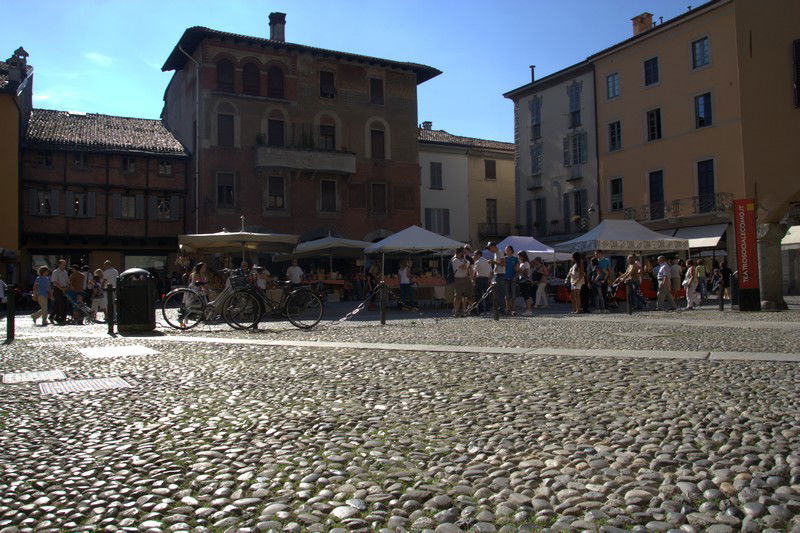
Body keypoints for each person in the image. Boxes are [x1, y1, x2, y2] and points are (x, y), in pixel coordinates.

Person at [450, 247, 470, 316]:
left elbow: (467, 266)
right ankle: (456, 311)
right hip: (458, 279)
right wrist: (465, 262)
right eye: (463, 252)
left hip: (463, 278)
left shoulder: (461, 260)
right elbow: (464, 267)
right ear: (461, 253)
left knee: (464, 296)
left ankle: (463, 311)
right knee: (458, 296)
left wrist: (465, 262)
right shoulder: (455, 260)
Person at [486, 242, 506, 312]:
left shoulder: (500, 252)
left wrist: (493, 262)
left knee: (500, 292)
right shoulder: (495, 254)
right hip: (497, 274)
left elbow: (503, 264)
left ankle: (502, 309)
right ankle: (500, 308)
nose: (489, 250)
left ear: (494, 247)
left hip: (501, 275)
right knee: (497, 292)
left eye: (489, 248)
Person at [472, 249, 492, 315]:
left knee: (479, 296)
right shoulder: (487, 261)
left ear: (478, 255)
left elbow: (474, 273)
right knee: (487, 296)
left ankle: (481, 311)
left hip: (479, 279)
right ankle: (488, 310)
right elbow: (491, 272)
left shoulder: (477, 262)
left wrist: (473, 281)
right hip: (486, 279)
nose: (474, 256)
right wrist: (489, 280)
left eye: (475, 254)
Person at [51, 259, 69, 324]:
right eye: (63, 264)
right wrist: (61, 289)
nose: (64, 265)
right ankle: (62, 319)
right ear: (59, 264)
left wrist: (67, 287)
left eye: (65, 264)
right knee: (60, 304)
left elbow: (67, 281)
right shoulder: (55, 272)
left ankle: (53, 316)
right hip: (57, 289)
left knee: (61, 304)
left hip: (64, 288)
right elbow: (55, 282)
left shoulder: (65, 272)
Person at [516, 251, 533, 316]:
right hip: (522, 282)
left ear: (522, 256)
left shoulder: (526, 263)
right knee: (525, 296)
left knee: (527, 296)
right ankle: (528, 310)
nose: (518, 257)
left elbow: (526, 273)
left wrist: (519, 270)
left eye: (519, 256)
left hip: (525, 281)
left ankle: (529, 310)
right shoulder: (521, 263)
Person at [503, 246, 518, 315]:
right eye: (506, 250)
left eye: (508, 250)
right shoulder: (504, 259)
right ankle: (507, 309)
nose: (507, 251)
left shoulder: (515, 259)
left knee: (514, 295)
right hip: (505, 278)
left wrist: (516, 276)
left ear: (511, 250)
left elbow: (517, 269)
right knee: (506, 295)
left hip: (513, 279)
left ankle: (514, 309)